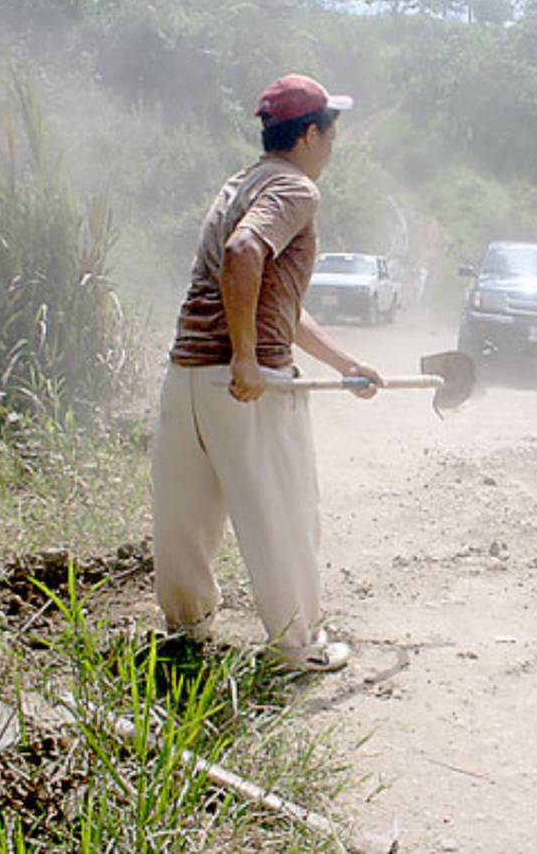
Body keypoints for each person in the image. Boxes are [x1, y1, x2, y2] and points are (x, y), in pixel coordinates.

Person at [151, 73, 383, 672]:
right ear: (310, 134)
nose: (332, 147)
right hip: (245, 387)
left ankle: (187, 634)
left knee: (186, 519)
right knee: (283, 516)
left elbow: (271, 299)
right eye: (331, 134)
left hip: (189, 379)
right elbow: (243, 255)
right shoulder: (294, 188)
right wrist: (249, 359)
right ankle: (297, 647)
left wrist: (347, 365)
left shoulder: (239, 184)